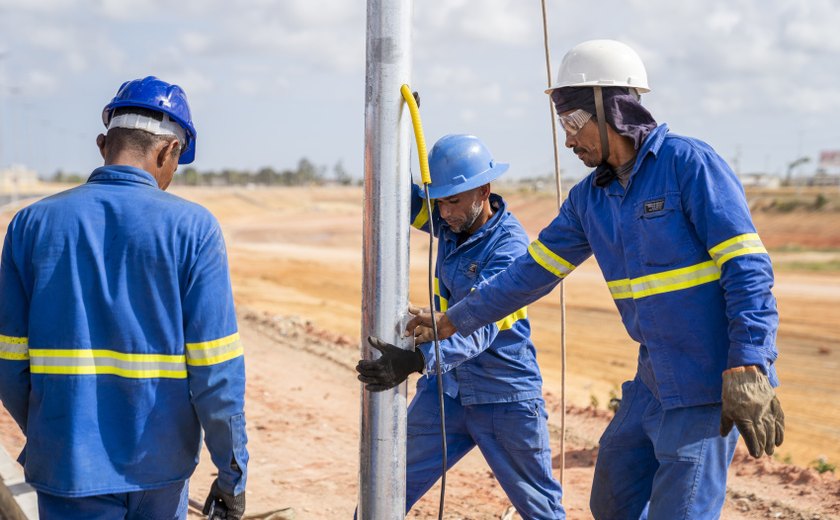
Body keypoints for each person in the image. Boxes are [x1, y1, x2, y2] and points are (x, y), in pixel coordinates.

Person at [406, 40, 784, 519]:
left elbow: (747, 267)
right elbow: (529, 273)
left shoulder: (688, 165)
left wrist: (749, 361)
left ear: (614, 108)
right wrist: (451, 321)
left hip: (708, 385)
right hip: (651, 381)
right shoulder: (591, 199)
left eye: (573, 123)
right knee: (611, 500)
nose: (567, 140)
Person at [0, 76, 248, 520]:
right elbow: (217, 373)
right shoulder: (194, 229)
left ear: (102, 143)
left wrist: (55, 433)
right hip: (160, 470)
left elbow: (9, 363)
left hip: (66, 466)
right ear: (168, 150)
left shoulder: (29, 225)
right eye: (177, 162)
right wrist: (232, 474)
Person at [356, 134, 564, 519]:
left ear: (483, 191)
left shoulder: (509, 249)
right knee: (385, 489)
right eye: (440, 202)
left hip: (505, 397)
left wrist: (417, 359)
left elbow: (479, 326)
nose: (444, 212)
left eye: (453, 201)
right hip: (446, 392)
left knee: (541, 511)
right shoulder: (450, 224)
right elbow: (402, 193)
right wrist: (391, 131)